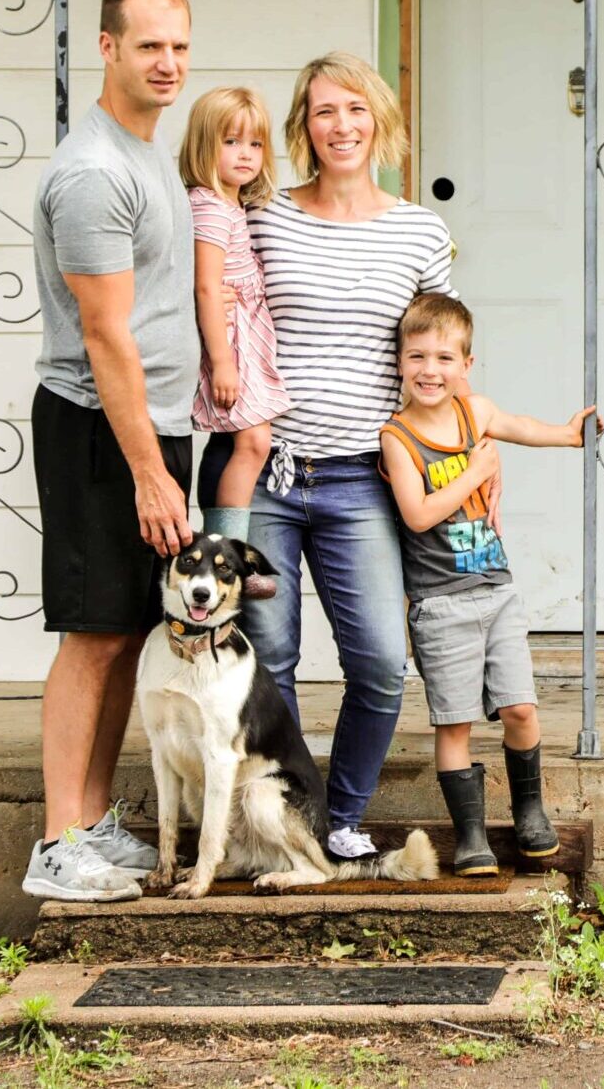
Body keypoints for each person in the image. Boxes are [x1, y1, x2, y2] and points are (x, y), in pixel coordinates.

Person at [199, 51, 482, 860]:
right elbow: (217, 299)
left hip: (365, 476)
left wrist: (468, 457)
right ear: (304, 127)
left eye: (356, 110)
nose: (342, 126)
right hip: (270, 472)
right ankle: (299, 822)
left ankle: (343, 816)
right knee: (271, 657)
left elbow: (442, 357)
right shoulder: (266, 219)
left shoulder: (420, 231)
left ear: (381, 122)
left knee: (382, 663)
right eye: (325, 112)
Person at [23, 0, 197, 903]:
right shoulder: (95, 172)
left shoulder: (146, 150)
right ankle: (56, 842)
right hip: (102, 429)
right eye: (147, 47)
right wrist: (147, 473)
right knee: (91, 635)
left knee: (128, 627)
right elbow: (104, 336)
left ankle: (91, 823)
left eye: (178, 46)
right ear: (106, 47)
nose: (166, 64)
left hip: (152, 427)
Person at [379, 294, 598, 874]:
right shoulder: (397, 438)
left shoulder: (475, 413)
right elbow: (418, 515)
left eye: (445, 358)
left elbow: (519, 425)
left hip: (497, 593)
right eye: (418, 356)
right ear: (399, 362)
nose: (431, 370)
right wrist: (476, 472)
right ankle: (471, 834)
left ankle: (529, 812)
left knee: (521, 707)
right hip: (439, 602)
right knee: (455, 720)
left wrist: (567, 435)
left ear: (467, 365)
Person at [178, 87, 290, 562]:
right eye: (231, 142)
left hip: (243, 331)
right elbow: (206, 286)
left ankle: (223, 548)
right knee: (253, 439)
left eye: (255, 144)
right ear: (205, 145)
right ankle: (224, 551)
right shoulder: (209, 206)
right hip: (229, 339)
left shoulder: (230, 203)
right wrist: (222, 362)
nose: (245, 154)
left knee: (245, 440)